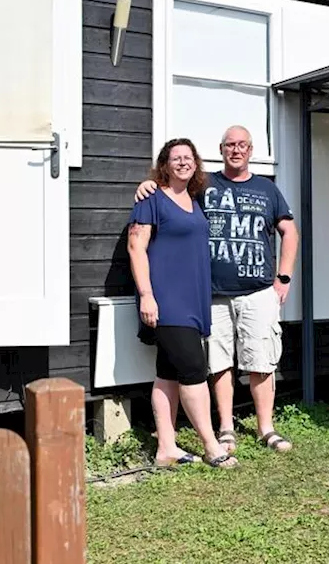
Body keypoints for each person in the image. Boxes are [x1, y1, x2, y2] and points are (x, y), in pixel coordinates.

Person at [134, 125, 299, 455]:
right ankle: (224, 431)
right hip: (212, 294)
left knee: (261, 360)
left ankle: (265, 427)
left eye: (242, 145)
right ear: (220, 150)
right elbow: (165, 197)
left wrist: (283, 278)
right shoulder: (203, 186)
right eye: (229, 145)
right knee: (218, 363)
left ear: (251, 150)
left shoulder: (267, 189)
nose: (236, 150)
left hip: (256, 291)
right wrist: (148, 183)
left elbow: (289, 232)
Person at [127, 138, 239, 469]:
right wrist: (147, 295)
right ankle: (211, 445)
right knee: (193, 370)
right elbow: (136, 248)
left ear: (196, 164)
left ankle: (166, 448)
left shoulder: (194, 199)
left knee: (168, 372)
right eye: (175, 158)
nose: (182, 162)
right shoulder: (151, 199)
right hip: (166, 300)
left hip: (192, 300)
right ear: (164, 164)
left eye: (188, 157)